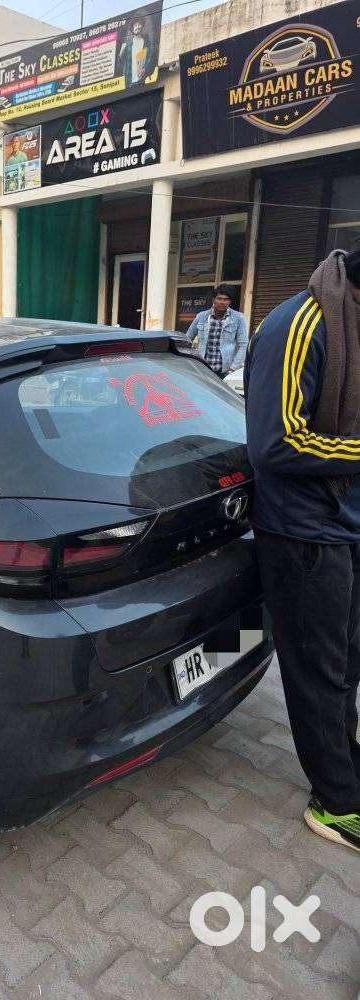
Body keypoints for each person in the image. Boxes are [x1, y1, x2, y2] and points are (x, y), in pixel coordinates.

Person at [244, 242, 360, 854]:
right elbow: (275, 444)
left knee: (348, 664)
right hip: (305, 532)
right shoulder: (300, 324)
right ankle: (335, 802)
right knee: (318, 673)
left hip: (349, 524)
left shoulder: (355, 322)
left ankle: (348, 767)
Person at [186, 284, 248, 378]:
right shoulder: (201, 316)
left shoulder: (238, 318)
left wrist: (233, 369)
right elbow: (187, 339)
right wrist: (191, 361)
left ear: (230, 301)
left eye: (226, 299)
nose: (222, 302)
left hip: (225, 372)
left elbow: (243, 345)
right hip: (202, 369)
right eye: (219, 298)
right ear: (213, 300)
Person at [118, 18, 151, 87]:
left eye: (139, 24)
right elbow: (120, 62)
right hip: (129, 81)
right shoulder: (128, 44)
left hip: (142, 79)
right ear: (132, 29)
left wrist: (144, 68)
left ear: (142, 27)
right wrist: (121, 52)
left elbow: (149, 56)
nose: (137, 27)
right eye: (135, 25)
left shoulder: (146, 41)